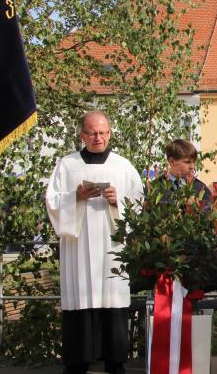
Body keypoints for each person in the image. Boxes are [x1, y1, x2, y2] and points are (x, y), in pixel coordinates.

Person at [45, 111, 143, 374]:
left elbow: (139, 202)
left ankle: (115, 363)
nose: (98, 138)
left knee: (112, 301)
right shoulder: (67, 165)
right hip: (79, 250)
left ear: (110, 133)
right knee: (80, 303)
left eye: (102, 132)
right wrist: (74, 197)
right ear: (81, 134)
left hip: (112, 249)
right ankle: (77, 365)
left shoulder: (123, 166)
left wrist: (117, 200)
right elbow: (52, 202)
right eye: (92, 133)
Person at [150, 138, 211, 208]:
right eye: (187, 162)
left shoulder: (200, 188)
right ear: (172, 161)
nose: (192, 167)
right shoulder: (155, 188)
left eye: (194, 162)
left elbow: (208, 213)